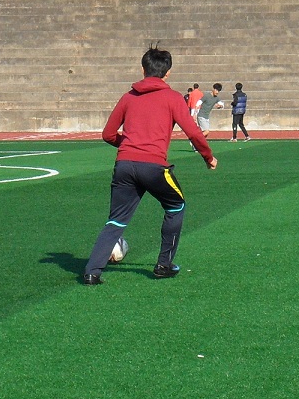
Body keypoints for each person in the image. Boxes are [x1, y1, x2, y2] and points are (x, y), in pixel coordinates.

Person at [81, 46, 217, 285]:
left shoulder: (129, 97)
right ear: (168, 73)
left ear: (143, 69)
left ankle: (92, 271)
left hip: (124, 165)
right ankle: (164, 265)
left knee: (116, 220)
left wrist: (130, 145)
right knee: (176, 205)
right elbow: (193, 132)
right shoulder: (173, 98)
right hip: (153, 167)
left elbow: (108, 134)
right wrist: (208, 157)